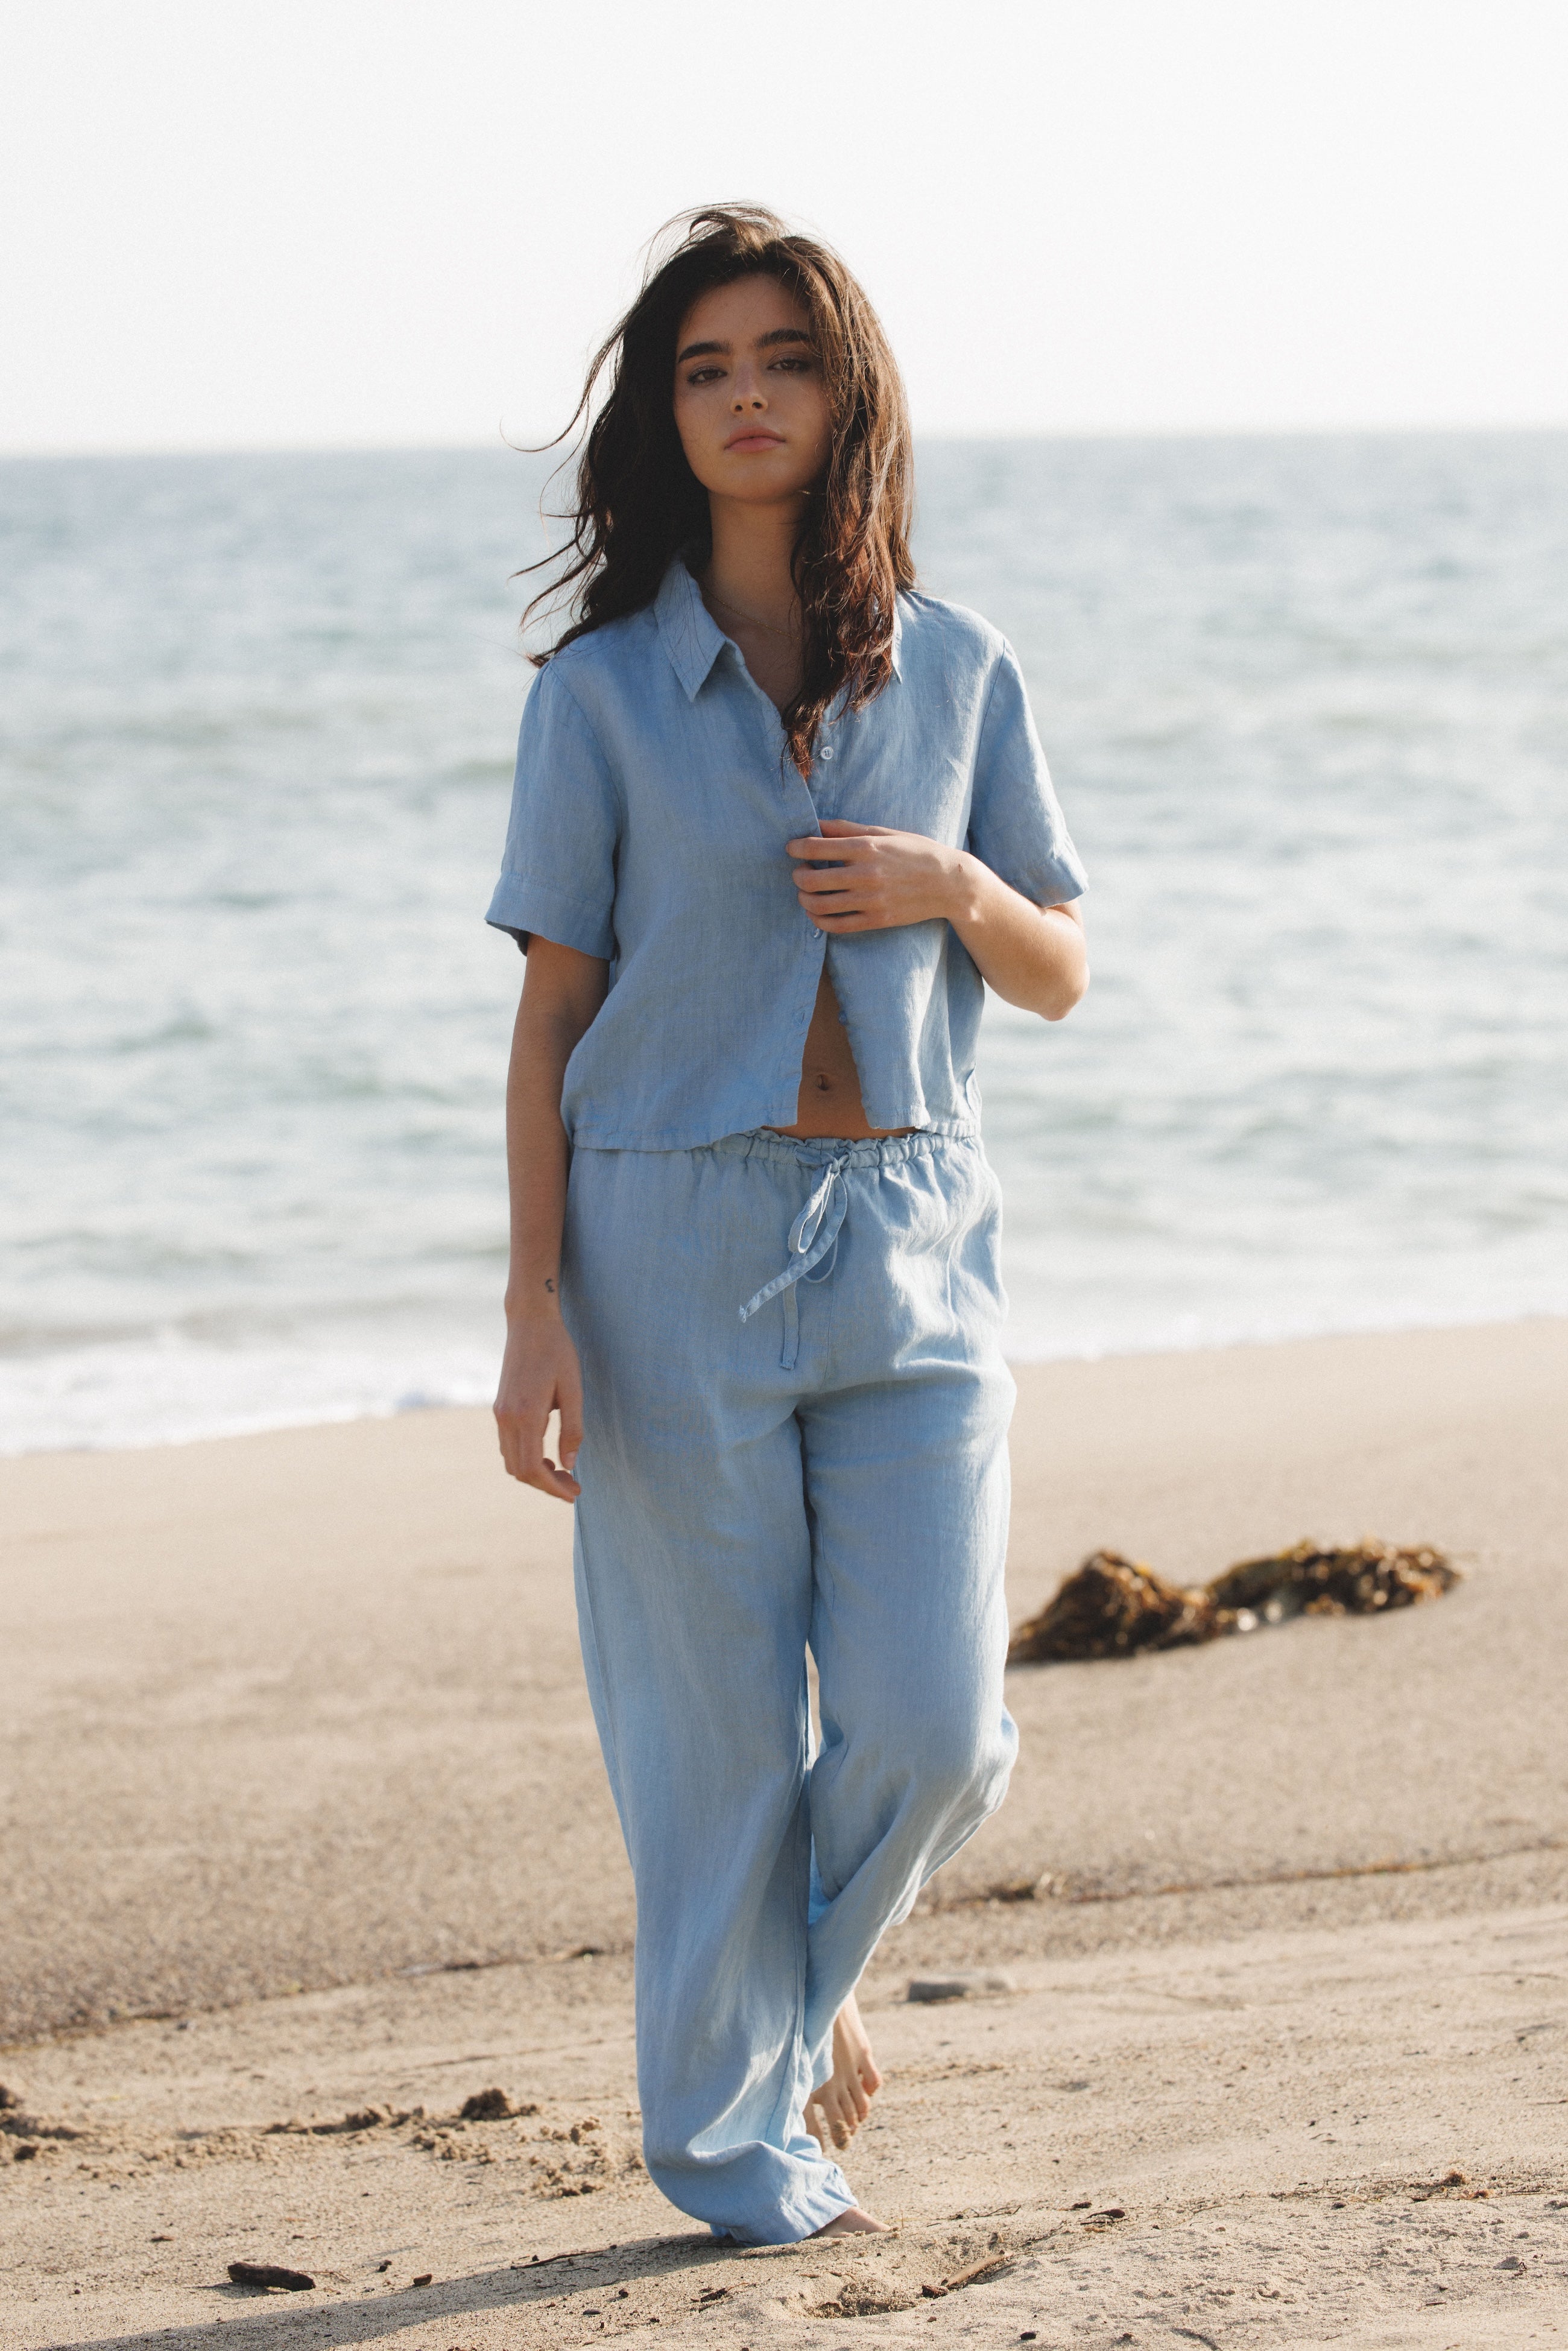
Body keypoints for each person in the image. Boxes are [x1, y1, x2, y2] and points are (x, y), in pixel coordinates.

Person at [487, 204, 1087, 2245]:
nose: (747, 396)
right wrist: (532, 1308)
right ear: (667, 415)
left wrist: (951, 887)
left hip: (915, 1232)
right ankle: (736, 2154)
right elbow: (550, 1018)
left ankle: (797, 1996)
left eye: (786, 359)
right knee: (716, 1749)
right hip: (663, 1245)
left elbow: (1062, 967)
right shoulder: (599, 697)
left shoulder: (964, 666)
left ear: (850, 394)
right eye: (706, 367)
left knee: (940, 1727)